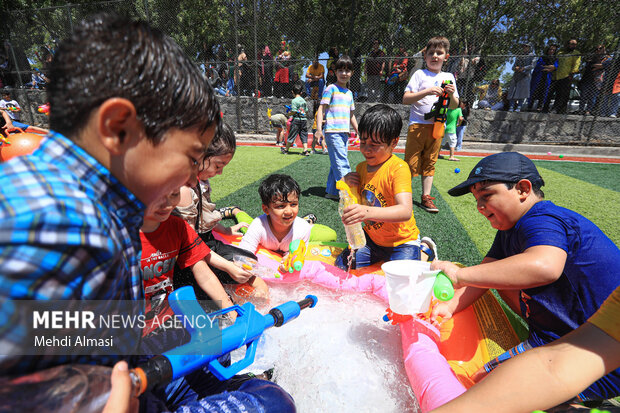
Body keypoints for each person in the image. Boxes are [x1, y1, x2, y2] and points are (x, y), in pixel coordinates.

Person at [0, 14, 294, 412]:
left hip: (133, 367)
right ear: (118, 128)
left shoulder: (97, 210)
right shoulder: (53, 223)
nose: (192, 178)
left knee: (265, 395)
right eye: (190, 158)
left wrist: (186, 336)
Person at [431, 151, 620, 403]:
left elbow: (545, 267)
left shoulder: (542, 219)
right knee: (480, 381)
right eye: (477, 199)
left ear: (522, 189)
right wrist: (449, 306)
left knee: (492, 396)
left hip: (595, 353)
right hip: (555, 337)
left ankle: (578, 403)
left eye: (486, 195)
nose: (479, 206)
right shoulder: (510, 228)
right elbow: (486, 273)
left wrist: (460, 275)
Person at [430, 285, 620, 413]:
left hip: (593, 361)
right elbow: (552, 369)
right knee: (481, 380)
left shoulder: (543, 231)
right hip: (576, 347)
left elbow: (546, 266)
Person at [335, 104, 437, 270]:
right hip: (372, 241)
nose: (367, 149)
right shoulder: (361, 168)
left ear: (394, 142)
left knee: (400, 281)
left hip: (402, 242)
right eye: (363, 141)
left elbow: (405, 211)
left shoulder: (398, 168)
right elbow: (354, 198)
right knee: (342, 265)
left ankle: (425, 250)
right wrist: (345, 183)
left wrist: (366, 212)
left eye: (375, 144)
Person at [174, 123, 269, 299]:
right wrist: (227, 267)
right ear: (198, 156)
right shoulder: (183, 191)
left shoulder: (200, 181)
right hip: (188, 259)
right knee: (214, 299)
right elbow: (190, 248)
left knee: (249, 261)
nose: (220, 172)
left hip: (205, 242)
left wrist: (225, 230)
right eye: (218, 166)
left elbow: (203, 214)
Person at [140, 188, 235, 346]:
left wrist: (230, 311)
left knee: (218, 354)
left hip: (167, 318)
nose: (168, 203)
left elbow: (204, 274)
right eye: (158, 194)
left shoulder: (178, 227)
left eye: (174, 194)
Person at [402, 36, 459, 213]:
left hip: (437, 126)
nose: (435, 56)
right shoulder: (419, 74)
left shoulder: (449, 76)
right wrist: (427, 91)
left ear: (446, 56)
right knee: (411, 162)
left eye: (439, 53)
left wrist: (450, 95)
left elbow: (455, 105)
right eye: (431, 53)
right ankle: (403, 196)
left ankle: (426, 197)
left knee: (430, 161)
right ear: (425, 56)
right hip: (418, 125)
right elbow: (405, 99)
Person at [238, 174, 312, 270]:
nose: (289, 211)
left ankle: (309, 219)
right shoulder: (258, 226)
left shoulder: (303, 229)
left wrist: (289, 256)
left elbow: (299, 252)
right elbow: (244, 254)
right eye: (281, 206)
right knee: (245, 225)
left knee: (327, 234)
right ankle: (236, 210)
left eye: (293, 204)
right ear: (266, 209)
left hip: (298, 224)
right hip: (263, 224)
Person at [315, 55, 360, 200]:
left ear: (352, 73)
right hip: (332, 131)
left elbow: (351, 114)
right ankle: (348, 193)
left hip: (344, 133)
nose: (344, 73)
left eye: (347, 71)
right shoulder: (331, 88)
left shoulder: (350, 93)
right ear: (335, 72)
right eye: (340, 70)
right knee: (342, 162)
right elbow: (321, 109)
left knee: (337, 161)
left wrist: (358, 130)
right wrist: (319, 130)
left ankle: (332, 192)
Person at [543, 38, 581, 114]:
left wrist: (572, 73)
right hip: (555, 75)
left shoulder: (576, 53)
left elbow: (576, 64)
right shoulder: (560, 52)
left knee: (562, 94)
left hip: (566, 76)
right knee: (550, 92)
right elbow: (555, 61)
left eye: (575, 44)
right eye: (572, 44)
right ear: (568, 44)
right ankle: (545, 108)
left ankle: (556, 109)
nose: (574, 46)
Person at [578, 44, 611, 115]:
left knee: (593, 96)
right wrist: (598, 66)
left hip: (599, 80)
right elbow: (589, 65)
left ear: (604, 49)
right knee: (583, 95)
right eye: (596, 49)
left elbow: (605, 65)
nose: (598, 50)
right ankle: (580, 110)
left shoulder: (608, 57)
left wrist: (599, 66)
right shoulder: (593, 57)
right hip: (588, 78)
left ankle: (588, 111)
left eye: (600, 48)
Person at [506, 42, 536, 112]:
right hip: (516, 75)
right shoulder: (520, 56)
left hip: (525, 76)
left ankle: (519, 107)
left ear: (530, 48)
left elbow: (533, 65)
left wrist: (524, 68)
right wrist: (515, 68)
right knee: (512, 91)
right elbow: (513, 66)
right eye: (524, 47)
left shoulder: (533, 55)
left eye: (527, 46)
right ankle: (511, 106)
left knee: (523, 92)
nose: (525, 48)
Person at [527, 44, 558, 111]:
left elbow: (555, 67)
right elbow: (538, 65)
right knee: (534, 91)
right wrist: (549, 67)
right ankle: (529, 106)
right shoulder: (543, 57)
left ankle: (540, 107)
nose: (551, 51)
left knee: (543, 92)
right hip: (539, 76)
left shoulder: (555, 58)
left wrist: (548, 67)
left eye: (553, 50)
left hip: (547, 77)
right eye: (550, 49)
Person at [282, 82, 310, 156]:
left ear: (292, 92)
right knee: (304, 134)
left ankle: (286, 150)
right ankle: (305, 150)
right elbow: (306, 111)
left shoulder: (294, 101)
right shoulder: (304, 101)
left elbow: (294, 111)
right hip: (304, 120)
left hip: (296, 120)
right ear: (301, 92)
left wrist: (288, 114)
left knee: (292, 134)